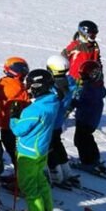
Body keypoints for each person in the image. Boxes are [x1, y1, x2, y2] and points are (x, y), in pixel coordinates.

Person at [10, 69, 61, 211]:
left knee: (30, 188)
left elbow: (19, 130)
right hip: (41, 151)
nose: (28, 90)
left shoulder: (34, 110)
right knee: (41, 184)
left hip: (29, 153)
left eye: (30, 87)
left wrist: (13, 116)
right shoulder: (52, 101)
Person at [45, 54, 77, 185]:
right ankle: (66, 171)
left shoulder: (54, 87)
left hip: (50, 123)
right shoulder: (69, 82)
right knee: (57, 144)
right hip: (59, 122)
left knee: (50, 147)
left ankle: (56, 175)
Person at [71, 61, 106, 169]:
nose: (82, 78)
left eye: (84, 76)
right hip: (91, 120)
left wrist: (73, 102)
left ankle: (86, 161)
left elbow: (84, 103)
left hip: (85, 119)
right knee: (88, 138)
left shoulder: (90, 89)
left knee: (80, 140)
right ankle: (94, 158)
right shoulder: (97, 86)